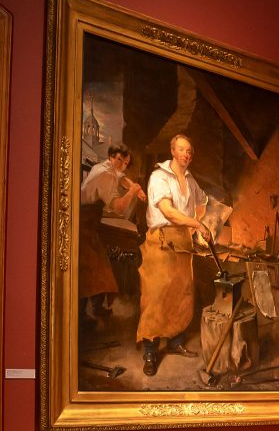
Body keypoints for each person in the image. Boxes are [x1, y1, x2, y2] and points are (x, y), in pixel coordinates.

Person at [136, 134, 211, 376]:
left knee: (182, 294)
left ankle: (176, 342)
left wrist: (202, 218)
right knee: (156, 295)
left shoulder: (190, 179)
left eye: (189, 151)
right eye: (181, 150)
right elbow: (168, 211)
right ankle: (150, 350)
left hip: (183, 242)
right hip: (161, 241)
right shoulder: (159, 177)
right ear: (172, 151)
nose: (186, 154)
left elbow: (202, 201)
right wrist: (198, 225)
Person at [78, 143, 145, 324]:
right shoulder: (105, 175)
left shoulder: (104, 166)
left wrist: (133, 186)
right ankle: (83, 316)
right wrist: (132, 192)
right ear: (110, 157)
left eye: (126, 162)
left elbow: (121, 176)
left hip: (89, 222)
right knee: (91, 271)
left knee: (100, 268)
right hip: (84, 223)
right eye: (119, 160)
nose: (122, 165)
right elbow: (119, 208)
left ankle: (95, 309)